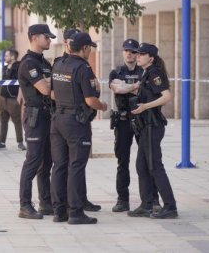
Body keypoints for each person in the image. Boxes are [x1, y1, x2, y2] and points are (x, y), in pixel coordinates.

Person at [50, 32, 107, 224]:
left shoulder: (58, 64)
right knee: (76, 166)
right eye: (89, 47)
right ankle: (75, 212)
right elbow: (91, 100)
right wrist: (103, 106)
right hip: (76, 123)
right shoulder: (83, 68)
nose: (90, 50)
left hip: (57, 119)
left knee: (59, 166)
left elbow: (52, 94)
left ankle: (59, 211)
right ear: (84, 48)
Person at [109, 39, 161, 213]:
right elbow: (117, 89)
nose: (129, 54)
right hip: (123, 121)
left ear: (138, 54)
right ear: (123, 52)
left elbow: (139, 90)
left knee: (148, 160)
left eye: (133, 51)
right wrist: (136, 86)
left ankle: (152, 199)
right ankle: (122, 200)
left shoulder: (144, 71)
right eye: (126, 51)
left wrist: (127, 87)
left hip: (142, 120)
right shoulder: (116, 71)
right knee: (122, 161)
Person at [128, 43, 178, 219]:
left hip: (152, 125)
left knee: (155, 166)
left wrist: (145, 107)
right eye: (138, 54)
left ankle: (170, 206)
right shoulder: (145, 73)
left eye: (142, 54)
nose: (138, 56)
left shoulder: (154, 73)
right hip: (146, 126)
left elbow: (167, 96)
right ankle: (147, 203)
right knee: (141, 165)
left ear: (151, 58)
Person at [17, 24, 56, 219]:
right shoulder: (28, 63)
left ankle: (46, 203)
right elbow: (44, 88)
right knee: (32, 160)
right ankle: (25, 205)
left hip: (47, 114)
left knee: (46, 162)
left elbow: (51, 84)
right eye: (46, 37)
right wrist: (53, 83)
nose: (49, 40)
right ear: (34, 37)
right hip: (34, 116)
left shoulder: (44, 63)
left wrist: (52, 82)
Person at [0, 49, 26, 151]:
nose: (4, 57)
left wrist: (19, 99)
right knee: (3, 121)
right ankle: (2, 142)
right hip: (2, 98)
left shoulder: (19, 67)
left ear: (13, 57)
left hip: (13, 99)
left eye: (6, 55)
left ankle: (20, 142)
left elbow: (21, 83)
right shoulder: (5, 68)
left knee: (17, 121)